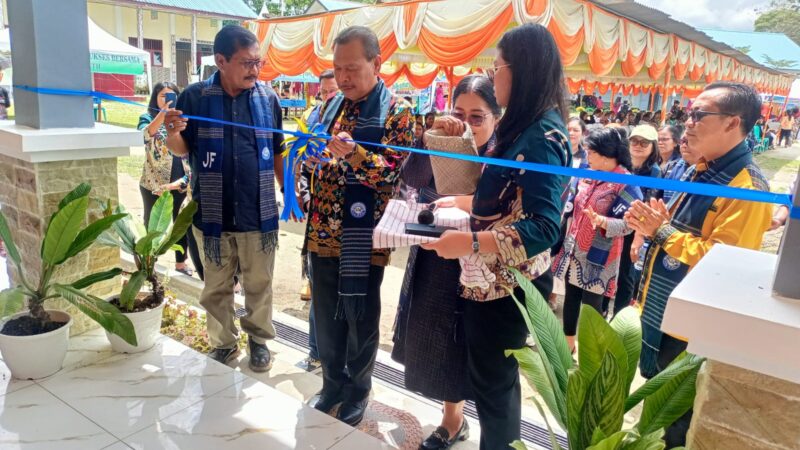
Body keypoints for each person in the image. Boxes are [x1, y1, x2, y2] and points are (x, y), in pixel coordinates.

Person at [422, 24, 571, 450]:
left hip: (507, 286)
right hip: (489, 279)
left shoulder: (541, 136)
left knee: (495, 390)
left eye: (498, 66)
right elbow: (508, 198)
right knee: (492, 384)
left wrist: (467, 243)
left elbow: (543, 227)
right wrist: (464, 202)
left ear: (520, 70)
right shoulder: (521, 127)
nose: (492, 75)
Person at [626, 81, 772, 448]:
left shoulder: (747, 187)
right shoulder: (701, 170)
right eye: (688, 113)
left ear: (731, 123)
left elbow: (723, 263)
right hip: (665, 314)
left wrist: (661, 232)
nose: (687, 122)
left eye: (698, 115)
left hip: (692, 331)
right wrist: (656, 226)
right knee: (656, 412)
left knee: (675, 423)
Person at [307, 26, 413, 427]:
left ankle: (358, 392)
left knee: (361, 320)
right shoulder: (329, 107)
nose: (344, 77)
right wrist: (311, 162)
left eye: (352, 68)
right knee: (326, 316)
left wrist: (353, 156)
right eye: (337, 69)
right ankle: (331, 385)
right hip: (321, 232)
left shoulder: (397, 111)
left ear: (376, 63)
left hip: (364, 238)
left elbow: (390, 174)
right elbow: (312, 160)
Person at [164, 24, 285, 372]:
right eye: (246, 62)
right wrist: (173, 131)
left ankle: (259, 341)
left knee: (259, 285)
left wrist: (288, 194)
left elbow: (278, 151)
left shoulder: (268, 99)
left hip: (257, 213)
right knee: (216, 289)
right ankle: (223, 344)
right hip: (211, 215)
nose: (254, 70)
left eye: (258, 62)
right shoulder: (195, 97)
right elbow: (182, 149)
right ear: (220, 60)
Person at [392, 74, 500, 450]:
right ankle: (452, 418)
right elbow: (411, 176)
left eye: (477, 117)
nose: (466, 124)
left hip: (485, 267)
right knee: (439, 340)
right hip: (437, 259)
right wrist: (430, 138)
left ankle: (489, 430)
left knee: (475, 346)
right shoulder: (444, 142)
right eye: (459, 113)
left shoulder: (501, 157)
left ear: (496, 119)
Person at [552, 128, 642, 351]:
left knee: (592, 306)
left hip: (601, 255)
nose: (586, 156)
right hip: (575, 246)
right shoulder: (588, 173)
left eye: (590, 152)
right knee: (571, 296)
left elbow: (630, 225)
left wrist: (603, 221)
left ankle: (592, 351)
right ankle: (568, 343)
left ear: (605, 155)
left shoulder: (626, 183)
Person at [298, 69, 340, 372]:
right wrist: (301, 193)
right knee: (318, 292)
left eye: (334, 91)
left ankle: (341, 363)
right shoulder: (314, 121)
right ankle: (315, 354)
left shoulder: (357, 121)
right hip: (317, 222)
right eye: (324, 92)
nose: (329, 97)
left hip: (349, 227)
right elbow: (300, 166)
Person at [137, 82, 194, 277]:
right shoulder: (148, 118)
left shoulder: (183, 120)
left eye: (172, 96)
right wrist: (163, 113)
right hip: (153, 182)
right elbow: (145, 136)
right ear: (155, 97)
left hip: (180, 182)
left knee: (180, 224)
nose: (168, 99)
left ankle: (181, 263)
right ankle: (149, 263)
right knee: (152, 224)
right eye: (163, 95)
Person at [604, 124, 661, 317]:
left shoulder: (654, 172)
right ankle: (601, 311)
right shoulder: (622, 166)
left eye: (644, 142)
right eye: (634, 141)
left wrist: (639, 237)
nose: (638, 145)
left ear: (653, 146)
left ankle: (619, 319)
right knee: (607, 269)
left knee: (626, 276)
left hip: (634, 229)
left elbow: (648, 205)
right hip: (613, 225)